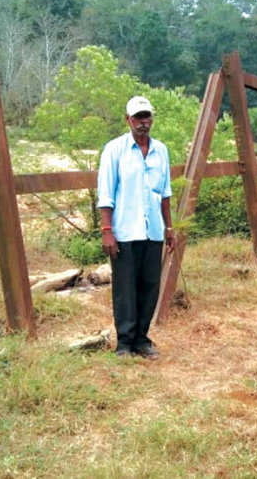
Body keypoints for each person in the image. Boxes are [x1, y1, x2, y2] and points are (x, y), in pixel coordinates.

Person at [97, 96, 175, 360]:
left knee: (149, 285)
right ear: (127, 120)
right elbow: (106, 193)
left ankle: (142, 339)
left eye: (147, 117)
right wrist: (107, 230)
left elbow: (165, 193)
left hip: (152, 229)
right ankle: (125, 343)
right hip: (125, 230)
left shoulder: (161, 150)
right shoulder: (114, 150)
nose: (143, 122)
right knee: (125, 288)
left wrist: (169, 228)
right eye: (138, 117)